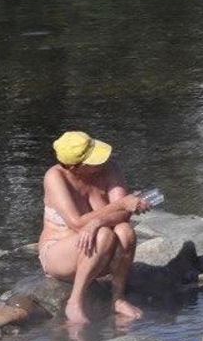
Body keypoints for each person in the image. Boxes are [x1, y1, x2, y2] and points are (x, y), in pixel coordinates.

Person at [39, 130, 152, 325]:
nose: (103, 160)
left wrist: (98, 221)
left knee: (125, 231)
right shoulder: (55, 177)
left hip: (100, 251)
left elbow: (124, 214)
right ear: (76, 167)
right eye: (94, 160)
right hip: (59, 251)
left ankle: (118, 299)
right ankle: (75, 302)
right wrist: (119, 205)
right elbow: (76, 222)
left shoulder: (110, 168)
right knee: (104, 235)